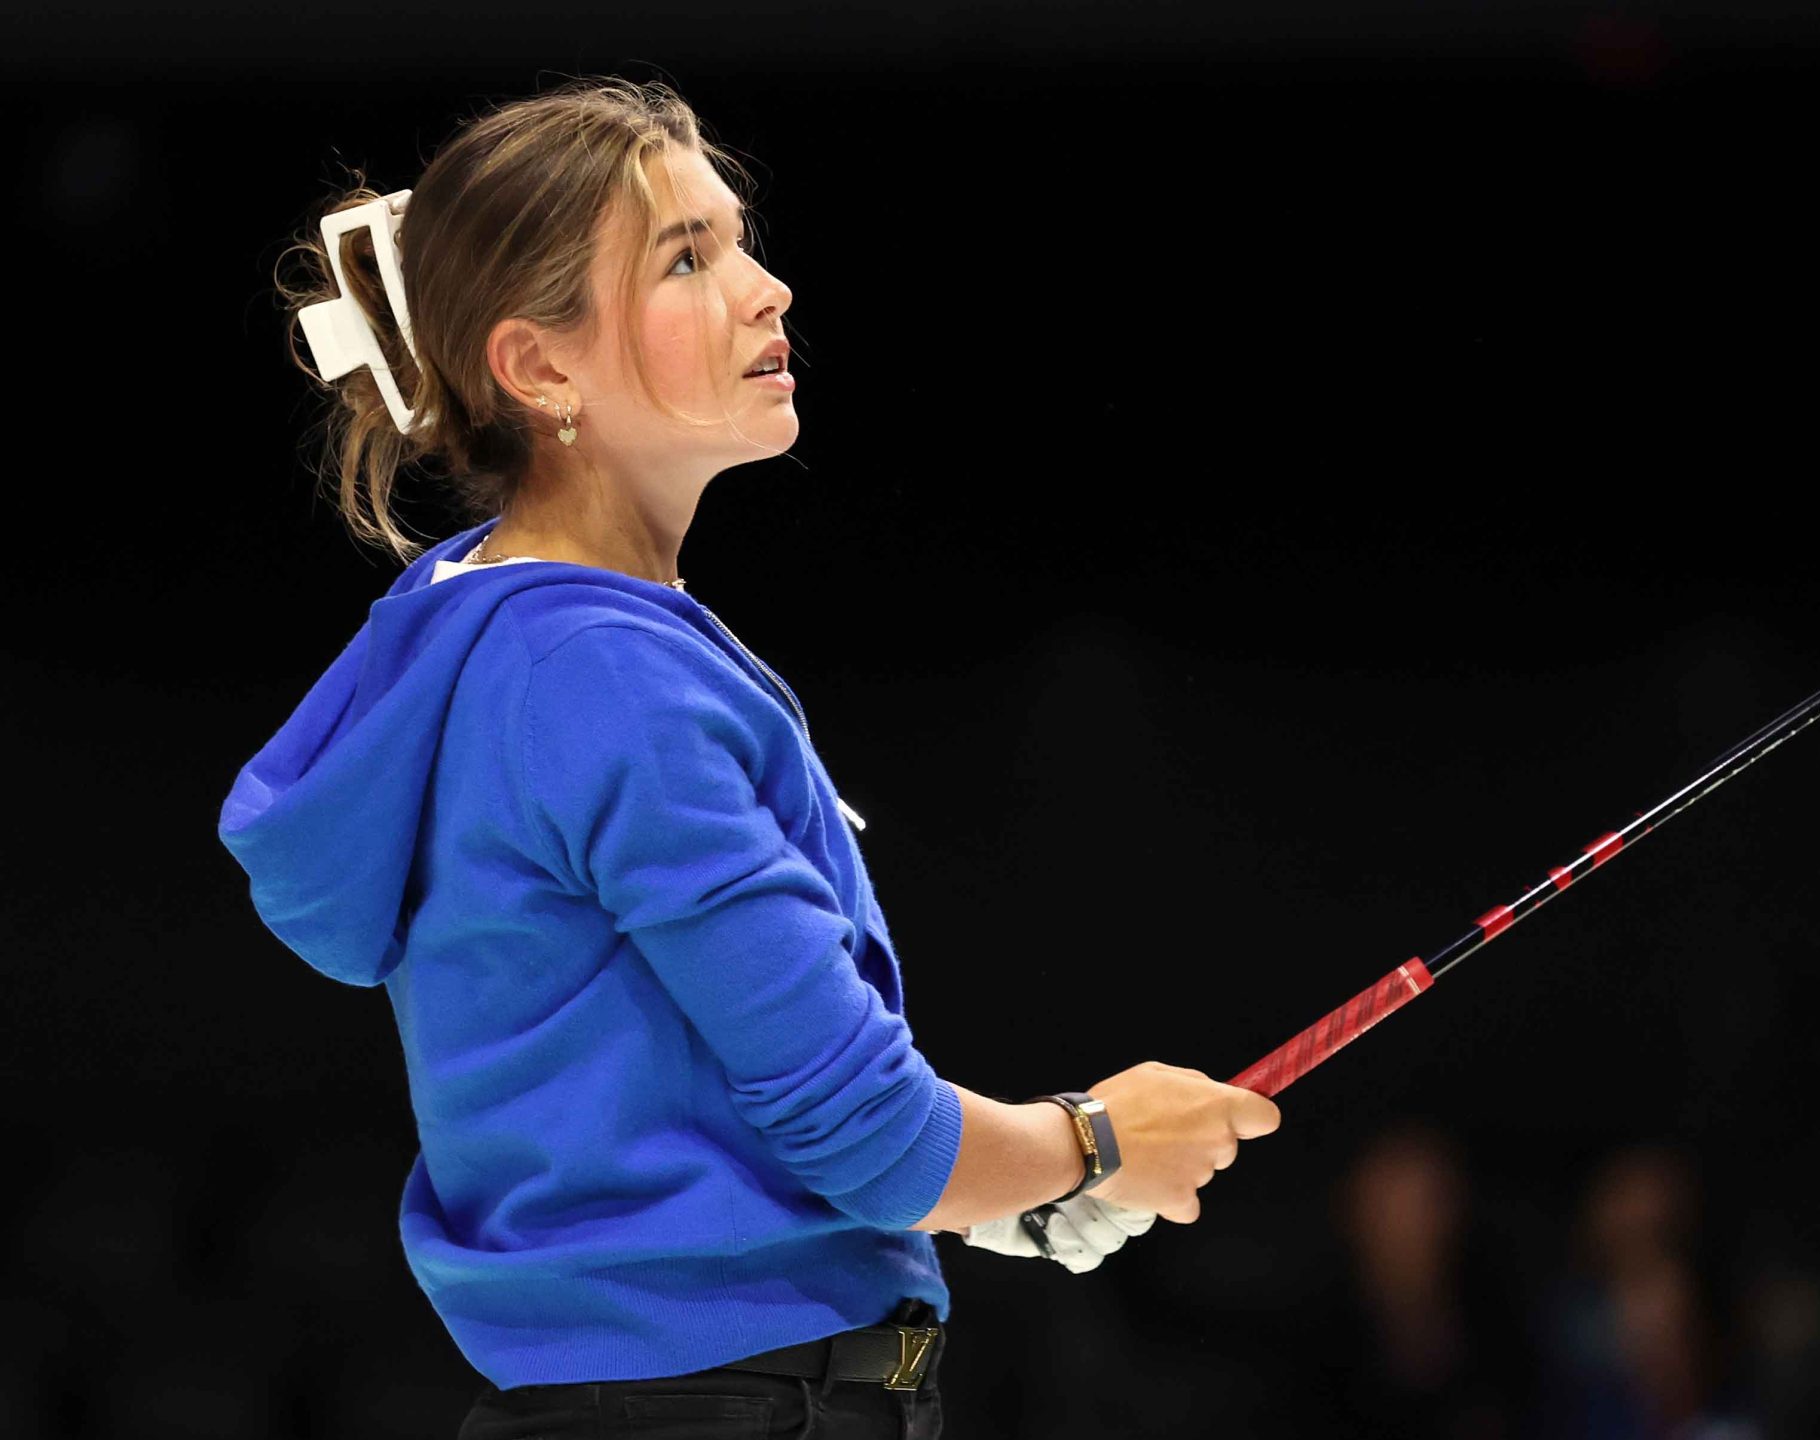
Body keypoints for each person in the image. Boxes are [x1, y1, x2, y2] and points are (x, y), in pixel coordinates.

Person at [216, 75, 1280, 1439]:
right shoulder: (603, 677)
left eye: (740, 239)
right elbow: (876, 1141)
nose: (766, 289)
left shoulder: (491, 631)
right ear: (539, 367)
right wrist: (1096, 1137)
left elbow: (709, 1106)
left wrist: (1019, 1188)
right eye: (687, 258)